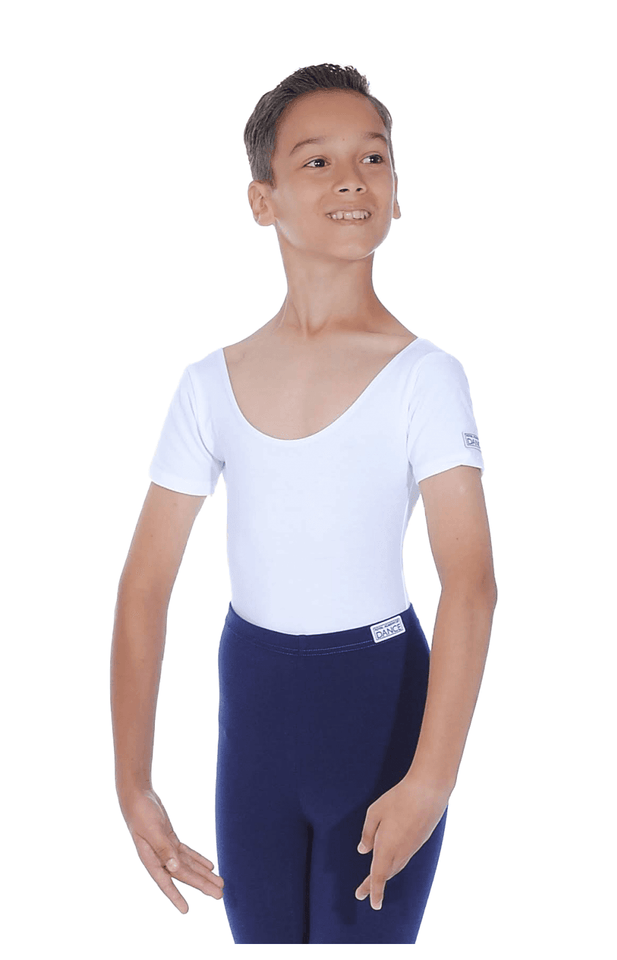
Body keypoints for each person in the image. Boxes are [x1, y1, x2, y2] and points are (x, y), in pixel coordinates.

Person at [111, 62, 497, 944]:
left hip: (380, 707)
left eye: (374, 158)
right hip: (256, 709)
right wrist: (133, 783)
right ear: (263, 200)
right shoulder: (210, 384)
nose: (353, 179)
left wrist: (431, 781)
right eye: (317, 161)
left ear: (397, 192)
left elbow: (471, 583)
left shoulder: (425, 378)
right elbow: (144, 586)